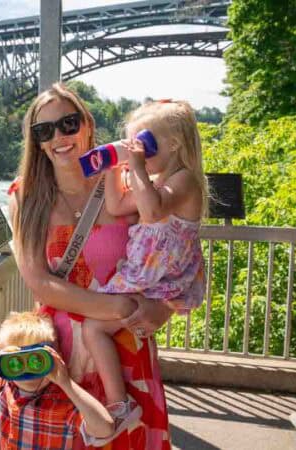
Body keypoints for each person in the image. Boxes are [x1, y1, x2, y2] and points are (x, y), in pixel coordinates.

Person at [8, 83, 190, 449]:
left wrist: (163, 309)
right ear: (37, 141)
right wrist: (122, 307)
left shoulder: (125, 186)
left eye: (68, 124)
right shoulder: (25, 196)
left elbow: (172, 254)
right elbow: (40, 284)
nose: (58, 137)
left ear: (87, 124)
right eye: (44, 130)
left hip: (124, 352)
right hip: (60, 359)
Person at [82, 99, 208, 439]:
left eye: (145, 143)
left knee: (93, 329)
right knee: (95, 323)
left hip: (156, 280)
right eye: (134, 143)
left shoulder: (185, 181)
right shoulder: (153, 182)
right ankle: (119, 402)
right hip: (149, 278)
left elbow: (151, 213)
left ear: (174, 144)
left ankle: (120, 406)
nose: (138, 150)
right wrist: (113, 169)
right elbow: (116, 204)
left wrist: (135, 167)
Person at [0, 311, 115, 448]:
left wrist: (67, 384)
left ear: (54, 356)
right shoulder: (4, 382)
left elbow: (105, 429)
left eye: (37, 360)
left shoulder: (65, 400)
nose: (27, 371)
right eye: (16, 362)